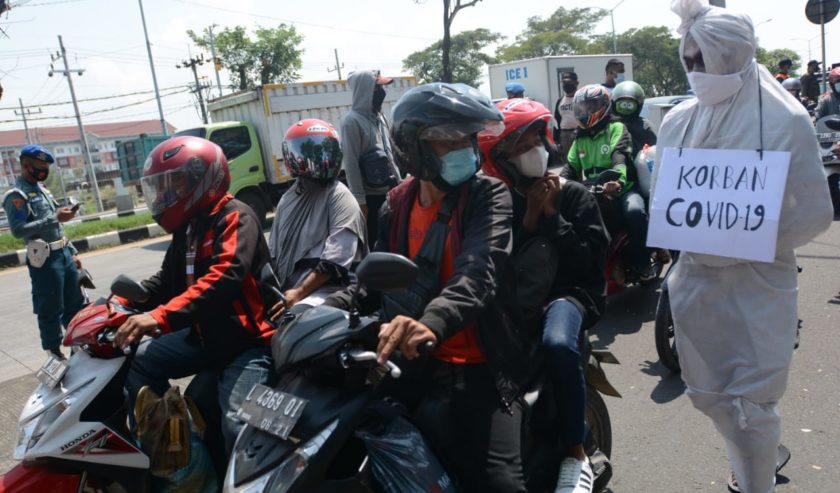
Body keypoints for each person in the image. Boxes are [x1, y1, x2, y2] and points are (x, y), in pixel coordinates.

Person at [657, 2, 833, 492]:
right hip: (694, 283)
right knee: (708, 393)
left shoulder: (786, 120)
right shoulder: (678, 120)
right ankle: (757, 449)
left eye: (703, 60)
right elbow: (669, 197)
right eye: (687, 61)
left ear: (734, 54)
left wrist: (750, 240)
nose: (695, 72)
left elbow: (816, 209)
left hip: (758, 282)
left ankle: (756, 477)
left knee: (754, 402)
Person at [326, 82, 532, 493]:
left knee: (500, 483)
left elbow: (478, 272)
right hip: (412, 361)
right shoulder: (397, 203)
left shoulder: (488, 195)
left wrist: (432, 323)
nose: (464, 149)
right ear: (414, 148)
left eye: (467, 138)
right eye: (447, 141)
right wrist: (325, 307)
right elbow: (372, 276)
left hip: (479, 363)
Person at [114, 136, 276, 456]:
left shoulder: (235, 216)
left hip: (247, 342)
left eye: (173, 183)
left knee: (238, 426)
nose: (164, 194)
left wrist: (158, 317)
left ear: (201, 179)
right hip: (205, 338)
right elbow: (166, 282)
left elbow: (224, 278)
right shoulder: (188, 228)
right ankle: (175, 448)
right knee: (137, 362)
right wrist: (122, 304)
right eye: (161, 186)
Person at [480, 98, 609, 493]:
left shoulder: (573, 195)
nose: (531, 149)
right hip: (518, 299)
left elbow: (590, 262)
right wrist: (531, 218)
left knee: (556, 344)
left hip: (568, 295)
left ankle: (575, 449)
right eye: (519, 145)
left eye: (536, 138)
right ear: (501, 157)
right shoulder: (499, 201)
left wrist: (552, 216)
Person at [266, 119, 367, 319]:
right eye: (311, 152)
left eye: (326, 151)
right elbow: (275, 254)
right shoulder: (288, 199)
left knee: (295, 323)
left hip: (330, 287)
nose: (320, 159)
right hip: (291, 289)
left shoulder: (339, 196)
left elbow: (335, 261)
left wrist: (298, 293)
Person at [562, 84, 654, 280]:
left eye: (590, 107)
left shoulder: (616, 127)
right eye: (581, 108)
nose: (584, 112)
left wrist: (616, 180)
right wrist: (557, 184)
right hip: (593, 188)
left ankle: (642, 262)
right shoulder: (579, 137)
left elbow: (619, 157)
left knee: (635, 212)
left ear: (603, 106)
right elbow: (570, 168)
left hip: (623, 187)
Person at [3, 144, 84, 359]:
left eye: (46, 167)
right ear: (25, 166)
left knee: (74, 302)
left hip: (63, 253)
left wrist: (73, 251)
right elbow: (18, 230)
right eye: (39, 167)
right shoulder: (17, 196)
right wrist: (54, 218)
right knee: (50, 307)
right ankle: (53, 352)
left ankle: (78, 343)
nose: (43, 171)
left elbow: (58, 227)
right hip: (45, 258)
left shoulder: (44, 190)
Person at [341, 70, 401, 246]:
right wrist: (360, 202)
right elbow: (351, 164)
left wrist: (400, 185)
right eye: (378, 87)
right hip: (371, 199)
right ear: (365, 90)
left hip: (391, 193)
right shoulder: (351, 122)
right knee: (376, 244)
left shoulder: (380, 117)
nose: (382, 91)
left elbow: (389, 154)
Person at [610, 80, 658, 155]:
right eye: (623, 103)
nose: (626, 108)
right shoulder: (608, 125)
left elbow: (655, 152)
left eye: (630, 104)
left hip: (638, 165)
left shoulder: (645, 126)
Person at [553, 72, 580, 163]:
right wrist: (556, 139)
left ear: (576, 83)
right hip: (565, 136)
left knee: (584, 162)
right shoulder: (560, 101)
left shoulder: (581, 98)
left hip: (580, 134)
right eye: (564, 83)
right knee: (569, 163)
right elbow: (557, 120)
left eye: (569, 83)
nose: (566, 85)